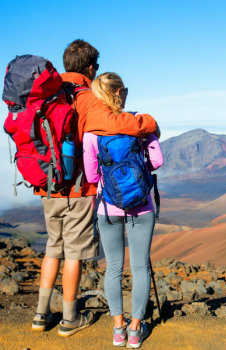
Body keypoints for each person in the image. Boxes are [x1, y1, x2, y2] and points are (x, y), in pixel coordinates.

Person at [32, 39, 160, 337]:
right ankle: (68, 318)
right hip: (76, 188)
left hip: (46, 184)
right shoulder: (87, 97)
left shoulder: (47, 94)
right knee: (74, 252)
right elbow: (117, 123)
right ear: (90, 68)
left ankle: (40, 314)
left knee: (53, 248)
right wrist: (150, 121)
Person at [83, 72, 163, 348]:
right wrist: (138, 172)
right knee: (140, 267)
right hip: (142, 207)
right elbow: (158, 161)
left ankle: (118, 328)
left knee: (113, 268)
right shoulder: (140, 124)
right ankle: (136, 329)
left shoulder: (91, 132)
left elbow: (92, 176)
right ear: (118, 93)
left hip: (108, 207)